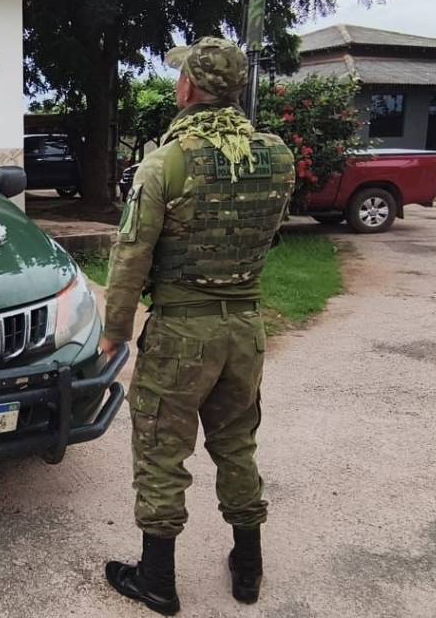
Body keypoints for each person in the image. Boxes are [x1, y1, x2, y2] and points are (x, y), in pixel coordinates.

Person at [99, 37, 296, 616]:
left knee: (162, 451)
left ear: (188, 86)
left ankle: (157, 582)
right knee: (237, 443)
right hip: (245, 326)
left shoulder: (167, 161)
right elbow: (270, 234)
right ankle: (248, 568)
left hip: (183, 331)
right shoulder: (277, 155)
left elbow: (131, 255)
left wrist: (114, 330)